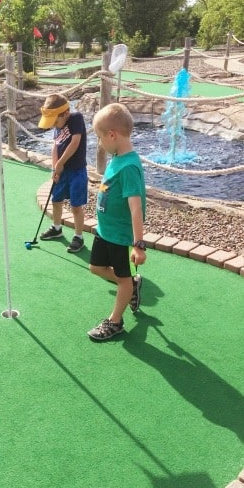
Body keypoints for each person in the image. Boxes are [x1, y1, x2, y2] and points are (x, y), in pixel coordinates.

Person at [87, 103, 146, 341]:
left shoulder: (130, 166)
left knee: (122, 279)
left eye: (101, 138)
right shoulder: (116, 157)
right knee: (96, 268)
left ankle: (116, 321)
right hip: (105, 231)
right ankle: (132, 285)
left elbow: (136, 209)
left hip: (121, 237)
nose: (100, 143)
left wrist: (138, 245)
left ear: (112, 135)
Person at [38, 93, 88, 253]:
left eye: (55, 121)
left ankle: (78, 237)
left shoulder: (76, 118)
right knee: (56, 199)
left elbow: (74, 143)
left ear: (65, 113)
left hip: (77, 171)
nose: (54, 125)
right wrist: (55, 167)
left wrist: (60, 163)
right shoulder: (58, 126)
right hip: (62, 171)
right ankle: (57, 228)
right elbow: (55, 146)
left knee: (76, 206)